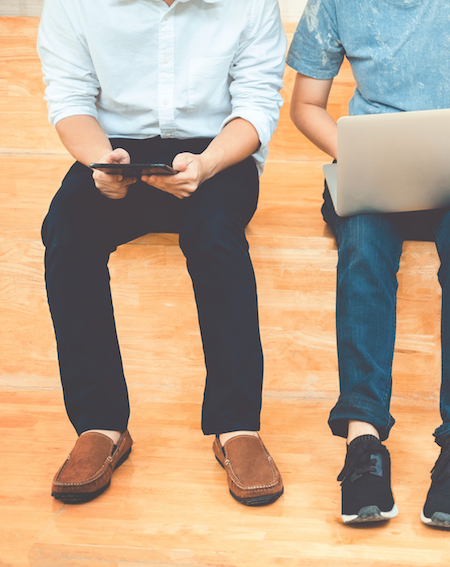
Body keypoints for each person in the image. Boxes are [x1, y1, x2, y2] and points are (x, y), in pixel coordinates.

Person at [286, 0, 450, 529]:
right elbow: (306, 104)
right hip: (375, 173)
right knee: (360, 248)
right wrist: (360, 156)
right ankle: (364, 445)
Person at [38, 0, 287, 506]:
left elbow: (257, 105)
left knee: (215, 234)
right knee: (66, 230)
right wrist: (99, 163)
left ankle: (237, 427)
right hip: (114, 147)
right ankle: (101, 426)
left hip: (216, 149)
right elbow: (70, 99)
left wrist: (209, 163)